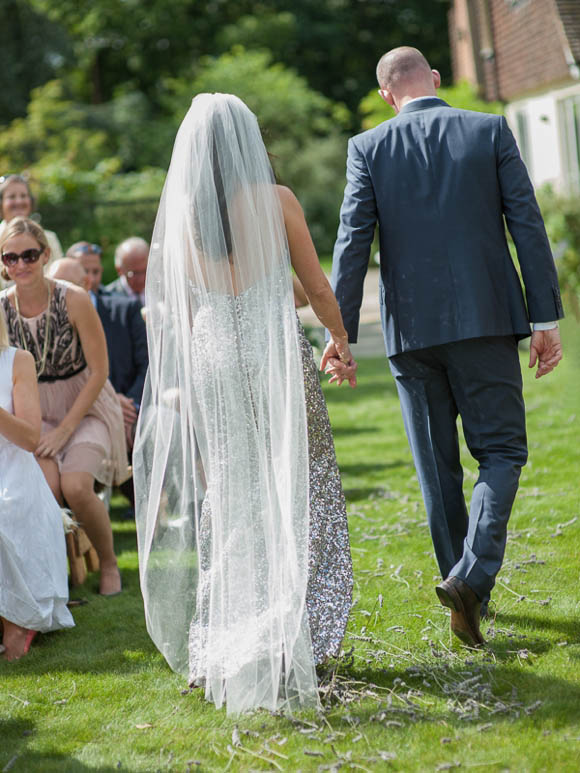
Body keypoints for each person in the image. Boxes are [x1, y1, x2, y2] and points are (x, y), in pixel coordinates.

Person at [330, 47, 564, 647]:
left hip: (411, 334)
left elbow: (353, 240)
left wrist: (341, 333)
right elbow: (528, 225)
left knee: (437, 471)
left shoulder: (367, 148)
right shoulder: (488, 129)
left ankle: (461, 589)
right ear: (435, 79)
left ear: (387, 94)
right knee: (502, 452)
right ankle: (470, 579)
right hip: (486, 321)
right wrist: (545, 317)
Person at [134, 93, 356, 715]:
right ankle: (303, 631)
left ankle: (222, 644)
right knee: (300, 485)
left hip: (214, 358)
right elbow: (315, 287)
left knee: (232, 494)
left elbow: (183, 304)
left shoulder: (179, 213)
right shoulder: (276, 200)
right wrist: (338, 341)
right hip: (273, 353)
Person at [0, 217, 129, 596]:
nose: (20, 265)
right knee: (41, 490)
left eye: (29, 255)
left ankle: (108, 563)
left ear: (45, 254)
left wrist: (64, 430)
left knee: (75, 484)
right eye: (10, 257)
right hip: (34, 410)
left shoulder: (73, 298)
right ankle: (51, 576)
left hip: (85, 408)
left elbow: (100, 370)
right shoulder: (1, 308)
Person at [0, 306, 74, 660]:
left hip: (11, 468)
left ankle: (15, 621)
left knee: (5, 512)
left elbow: (30, 438)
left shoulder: (17, 361)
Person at [65, 243, 148, 452]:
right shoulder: (52, 318)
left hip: (130, 408)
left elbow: (146, 364)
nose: (90, 280)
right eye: (84, 272)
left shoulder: (125, 309)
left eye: (96, 272)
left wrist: (131, 405)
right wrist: (109, 402)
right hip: (79, 412)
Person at [0, 175, 63, 280]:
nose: (19, 201)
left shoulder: (50, 238)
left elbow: (61, 278)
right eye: (12, 197)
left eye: (23, 196)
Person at [106, 237, 149, 306]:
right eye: (135, 273)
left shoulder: (161, 291)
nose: (141, 279)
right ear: (119, 270)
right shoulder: (108, 297)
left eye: (145, 271)